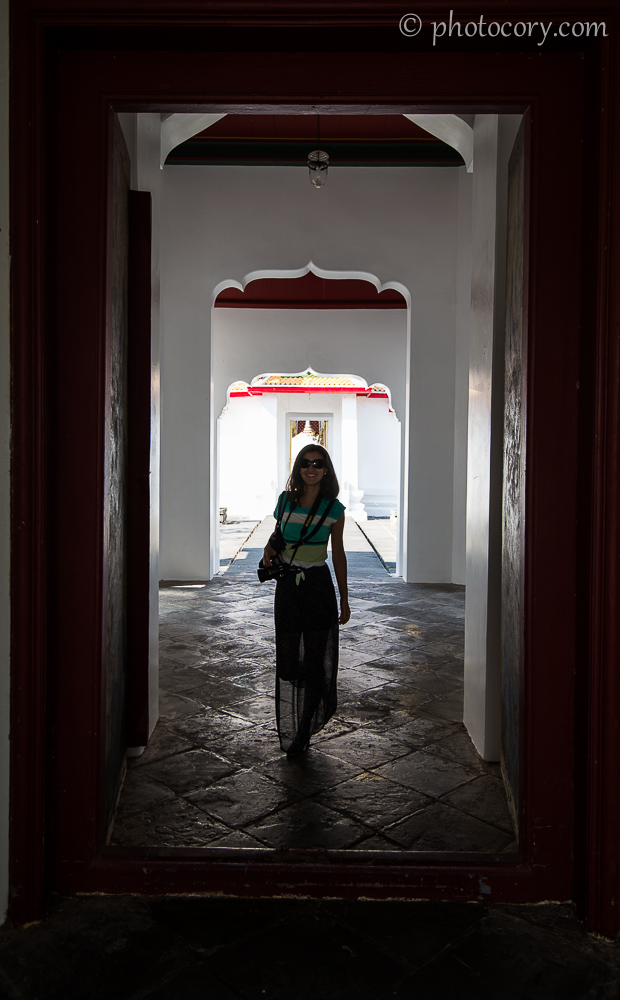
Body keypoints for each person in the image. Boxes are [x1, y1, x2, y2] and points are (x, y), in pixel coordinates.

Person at [262, 444, 350, 756]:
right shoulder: (285, 501)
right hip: (288, 586)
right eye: (305, 463)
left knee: (314, 659)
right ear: (298, 468)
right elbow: (278, 535)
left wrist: (345, 599)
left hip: (317, 587)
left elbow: (337, 553)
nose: (310, 468)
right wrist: (268, 550)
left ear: (326, 471)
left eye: (317, 464)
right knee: (287, 664)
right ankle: (318, 681)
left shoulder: (334, 510)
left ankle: (303, 732)